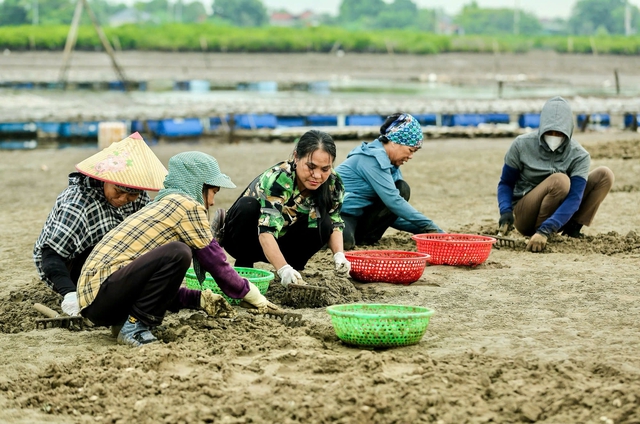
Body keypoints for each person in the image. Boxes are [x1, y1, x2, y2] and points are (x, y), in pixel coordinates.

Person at [77, 151, 278, 347]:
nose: (212, 202)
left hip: (97, 301)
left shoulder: (165, 203)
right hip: (102, 293)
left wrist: (197, 299)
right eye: (213, 192)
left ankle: (126, 323)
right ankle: (134, 327)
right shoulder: (185, 205)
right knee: (178, 252)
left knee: (177, 253)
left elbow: (155, 286)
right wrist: (251, 294)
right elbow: (216, 262)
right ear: (198, 185)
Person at [33, 132, 167, 317]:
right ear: (106, 179)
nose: (123, 199)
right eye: (118, 191)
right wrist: (70, 294)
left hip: (113, 262)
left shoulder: (140, 198)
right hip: (72, 267)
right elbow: (50, 256)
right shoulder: (77, 203)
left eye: (131, 195)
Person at [211, 130, 350, 286]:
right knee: (248, 207)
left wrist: (339, 255)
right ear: (296, 157)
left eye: (325, 169)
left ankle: (293, 267)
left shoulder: (334, 183)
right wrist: (282, 269)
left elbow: (335, 222)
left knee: (324, 223)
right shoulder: (278, 179)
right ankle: (247, 262)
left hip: (285, 238)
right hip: (249, 238)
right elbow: (266, 230)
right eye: (311, 167)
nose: (317, 175)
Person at [497, 96, 615, 252]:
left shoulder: (579, 155)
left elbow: (575, 197)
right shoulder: (521, 145)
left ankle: (572, 228)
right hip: (525, 213)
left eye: (559, 133)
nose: (554, 136)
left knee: (604, 175)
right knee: (560, 181)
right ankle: (539, 230)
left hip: (558, 217)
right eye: (549, 131)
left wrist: (547, 229)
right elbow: (506, 182)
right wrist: (505, 211)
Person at [335, 113, 444, 250]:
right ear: (394, 142)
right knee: (345, 243)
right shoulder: (371, 159)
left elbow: (390, 214)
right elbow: (394, 201)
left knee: (402, 188)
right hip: (340, 214)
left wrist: (427, 232)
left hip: (361, 217)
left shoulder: (392, 166)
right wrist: (430, 225)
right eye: (410, 150)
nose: (410, 157)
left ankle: (364, 239)